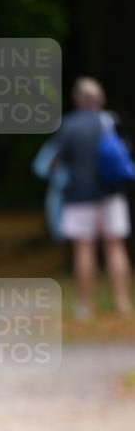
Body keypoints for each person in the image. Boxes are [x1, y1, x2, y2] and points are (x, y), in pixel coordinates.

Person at [55, 77, 132, 318]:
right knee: (115, 246)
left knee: (84, 248)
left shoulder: (69, 125)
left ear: (77, 99)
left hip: (79, 195)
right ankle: (122, 303)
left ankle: (86, 306)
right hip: (111, 193)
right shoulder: (111, 121)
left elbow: (58, 160)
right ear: (100, 99)